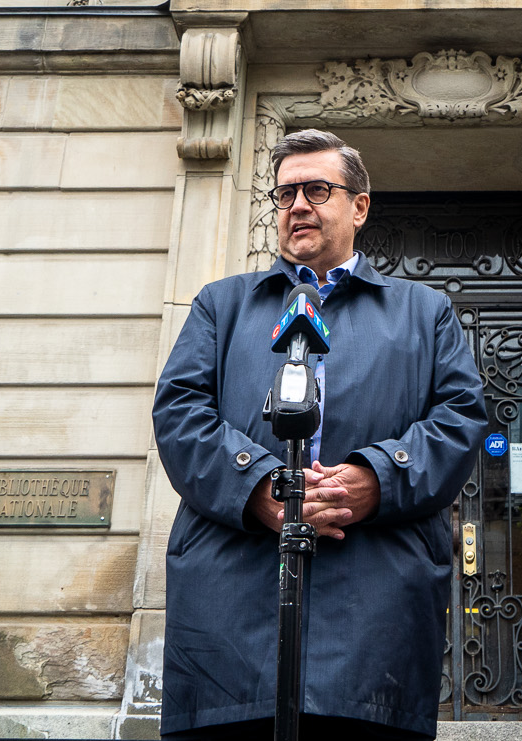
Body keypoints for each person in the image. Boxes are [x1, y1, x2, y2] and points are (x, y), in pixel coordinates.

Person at [152, 129, 487, 740]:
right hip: (229, 625)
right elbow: (179, 413)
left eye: (316, 190)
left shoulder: (425, 312)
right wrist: (260, 488)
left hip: (374, 625)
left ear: (359, 206)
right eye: (285, 194)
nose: (297, 206)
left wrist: (375, 480)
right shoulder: (220, 306)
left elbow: (459, 419)